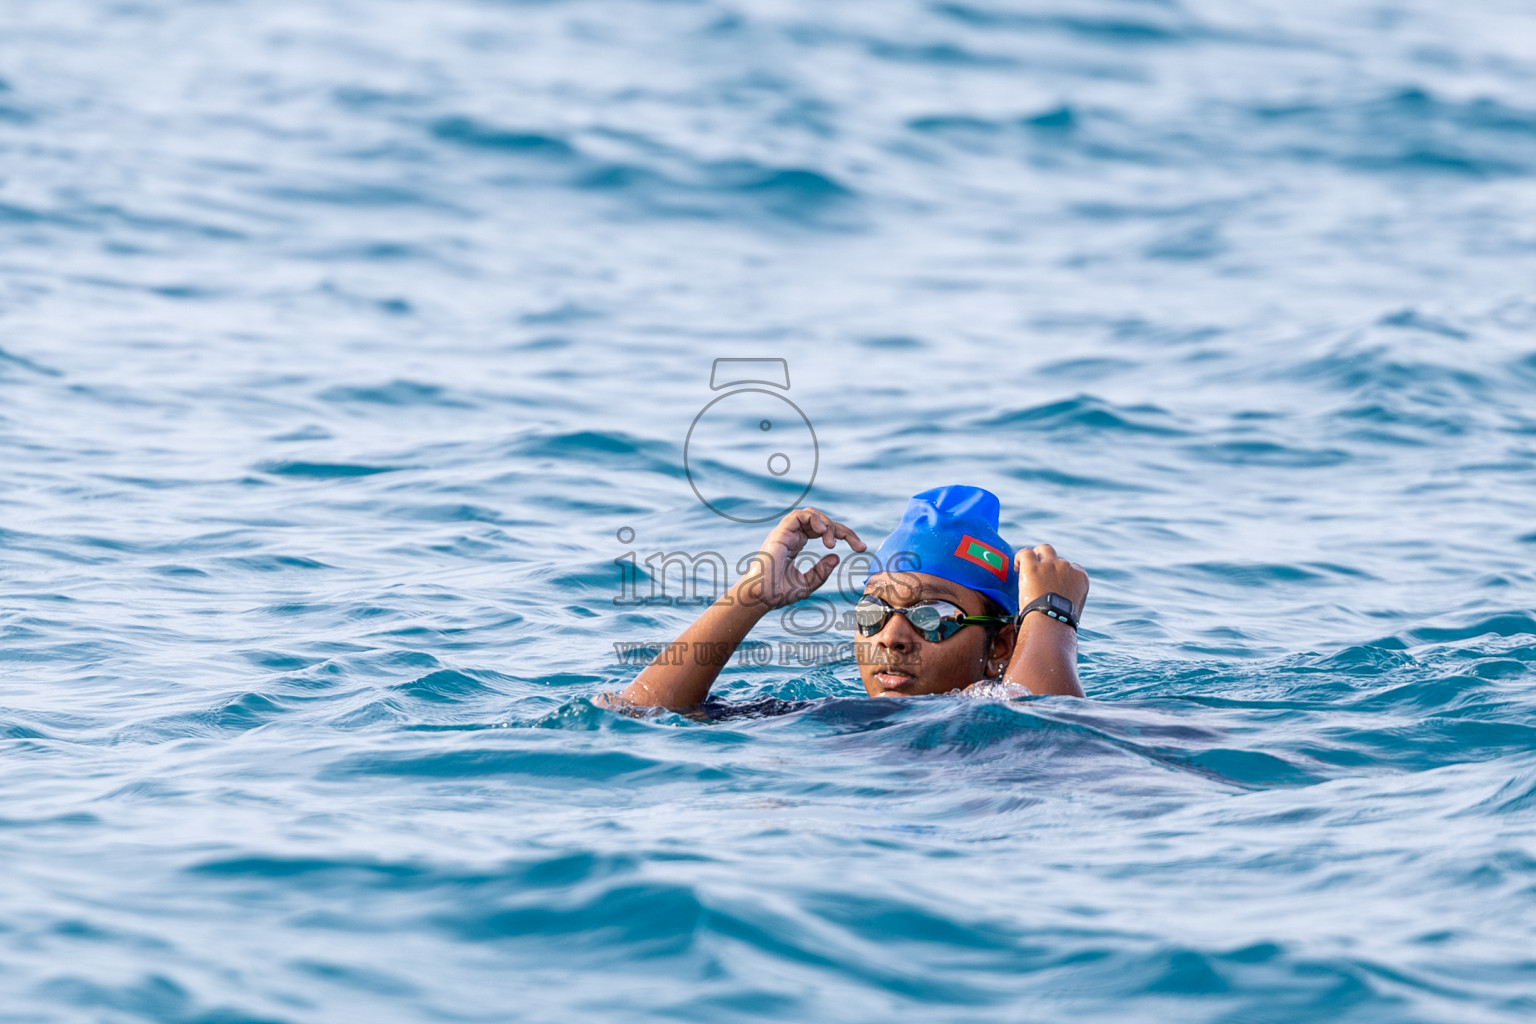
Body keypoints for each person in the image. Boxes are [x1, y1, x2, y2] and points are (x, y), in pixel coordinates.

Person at [610, 485, 1088, 711]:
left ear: (1000, 648)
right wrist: (750, 597)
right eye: (874, 612)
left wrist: (1050, 617)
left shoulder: (991, 721)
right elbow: (640, 714)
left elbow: (1051, 746)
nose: (892, 636)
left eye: (933, 616)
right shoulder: (827, 717)